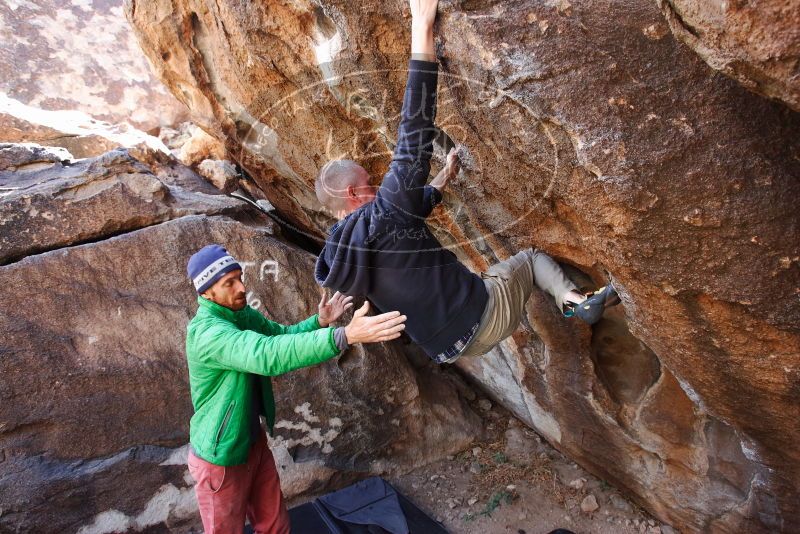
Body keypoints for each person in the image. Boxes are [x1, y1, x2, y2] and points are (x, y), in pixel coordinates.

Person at [314, 0, 619, 365]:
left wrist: (444, 176)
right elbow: (415, 128)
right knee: (530, 259)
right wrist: (422, 26)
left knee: (489, 276)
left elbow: (410, 213)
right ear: (352, 193)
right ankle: (577, 302)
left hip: (444, 348)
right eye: (369, 182)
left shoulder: (339, 260)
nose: (377, 186)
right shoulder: (384, 213)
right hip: (481, 317)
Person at [185, 244, 407, 533]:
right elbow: (266, 354)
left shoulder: (239, 314)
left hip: (252, 443)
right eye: (229, 283)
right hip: (220, 458)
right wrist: (343, 335)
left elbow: (280, 336)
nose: (241, 287)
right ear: (206, 293)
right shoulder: (208, 333)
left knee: (276, 525)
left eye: (240, 277)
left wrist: (320, 322)